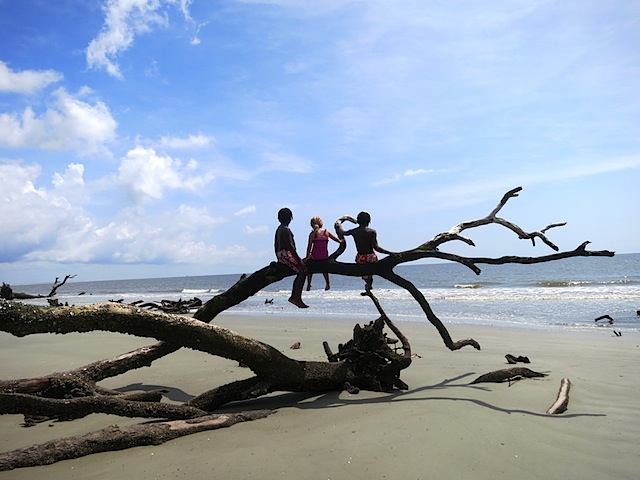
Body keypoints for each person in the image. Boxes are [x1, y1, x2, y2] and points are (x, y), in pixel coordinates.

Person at [338, 211, 399, 292]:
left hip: (361, 258)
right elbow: (376, 247)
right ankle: (369, 286)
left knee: (365, 273)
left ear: (358, 221)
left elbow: (342, 232)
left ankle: (368, 285)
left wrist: (338, 225)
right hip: (371, 258)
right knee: (370, 273)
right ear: (368, 221)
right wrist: (391, 253)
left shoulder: (354, 231)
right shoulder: (372, 232)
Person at [274, 207, 308, 308]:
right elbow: (291, 247)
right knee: (303, 271)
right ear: (290, 218)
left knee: (301, 269)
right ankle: (296, 297)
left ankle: (295, 296)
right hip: (286, 254)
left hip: (280, 254)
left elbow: (275, 245)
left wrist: (278, 258)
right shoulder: (286, 229)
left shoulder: (279, 229)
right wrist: (299, 261)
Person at [304, 216, 343, 291]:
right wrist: (341, 241)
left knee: (309, 268)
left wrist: (308, 256)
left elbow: (309, 247)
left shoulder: (312, 234)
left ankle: (309, 284)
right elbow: (335, 239)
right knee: (325, 269)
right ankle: (327, 283)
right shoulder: (326, 232)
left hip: (315, 256)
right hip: (324, 256)